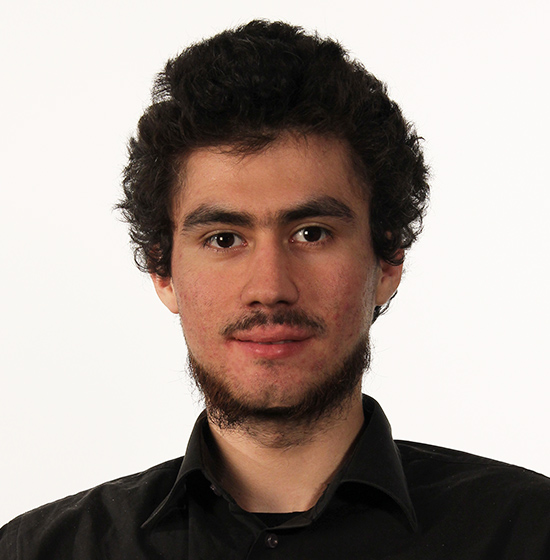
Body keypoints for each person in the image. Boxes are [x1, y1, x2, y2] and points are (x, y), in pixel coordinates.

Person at [1, 19, 549, 559]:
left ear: (387, 261)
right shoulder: (38, 550)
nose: (269, 288)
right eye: (224, 239)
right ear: (162, 272)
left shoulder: (529, 532)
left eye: (311, 234)